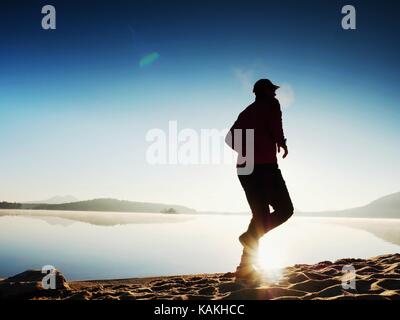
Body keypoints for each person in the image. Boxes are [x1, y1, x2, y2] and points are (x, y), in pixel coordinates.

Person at [225, 79, 294, 277]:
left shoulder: (246, 112)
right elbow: (276, 125)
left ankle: (244, 266)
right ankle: (248, 239)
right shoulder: (272, 105)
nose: (275, 94)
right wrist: (281, 143)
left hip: (245, 169)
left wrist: (246, 151)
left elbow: (229, 138)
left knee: (260, 216)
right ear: (264, 92)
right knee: (285, 210)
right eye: (272, 91)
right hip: (264, 168)